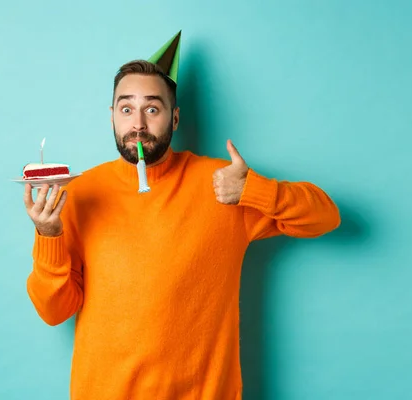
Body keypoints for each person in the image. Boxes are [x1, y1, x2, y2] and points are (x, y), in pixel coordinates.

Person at [22, 32, 340, 400]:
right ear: (111, 117)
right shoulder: (79, 194)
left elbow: (325, 216)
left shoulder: (223, 185)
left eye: (152, 109)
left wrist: (254, 189)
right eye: (126, 109)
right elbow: (54, 311)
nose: (138, 124)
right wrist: (48, 236)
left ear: (174, 119)